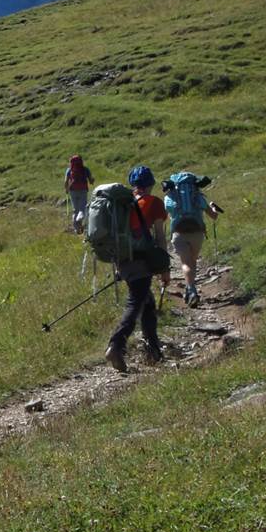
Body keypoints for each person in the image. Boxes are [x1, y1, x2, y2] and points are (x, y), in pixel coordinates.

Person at [106, 165, 173, 373]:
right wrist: (165, 267)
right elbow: (161, 237)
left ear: (133, 185)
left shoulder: (123, 205)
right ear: (151, 184)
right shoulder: (153, 203)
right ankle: (116, 345)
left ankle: (154, 352)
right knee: (136, 302)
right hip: (142, 262)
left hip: (123, 261)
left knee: (147, 304)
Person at [163, 172, 225, 306]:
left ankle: (191, 289)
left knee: (186, 263)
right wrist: (213, 207)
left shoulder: (170, 196)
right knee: (192, 261)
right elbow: (213, 216)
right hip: (197, 233)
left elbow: (165, 215)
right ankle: (190, 289)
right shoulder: (198, 196)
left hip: (179, 233)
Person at [64, 155, 93, 232]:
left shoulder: (69, 170)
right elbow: (90, 180)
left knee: (75, 209)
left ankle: (77, 229)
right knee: (82, 208)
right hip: (83, 190)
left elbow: (66, 181)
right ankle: (80, 219)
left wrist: (66, 189)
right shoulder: (85, 169)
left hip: (73, 190)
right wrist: (92, 180)